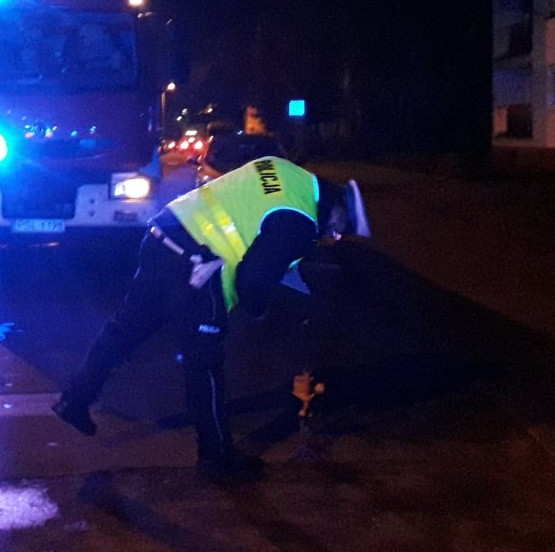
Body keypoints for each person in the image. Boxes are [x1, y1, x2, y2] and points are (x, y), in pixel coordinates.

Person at [52, 155, 371, 480]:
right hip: (198, 266)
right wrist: (259, 310)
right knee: (204, 362)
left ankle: (74, 400)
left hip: (164, 235)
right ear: (337, 207)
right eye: (339, 229)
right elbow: (254, 279)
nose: (333, 236)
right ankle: (216, 458)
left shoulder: (286, 172)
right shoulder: (301, 221)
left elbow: (253, 218)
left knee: (124, 332)